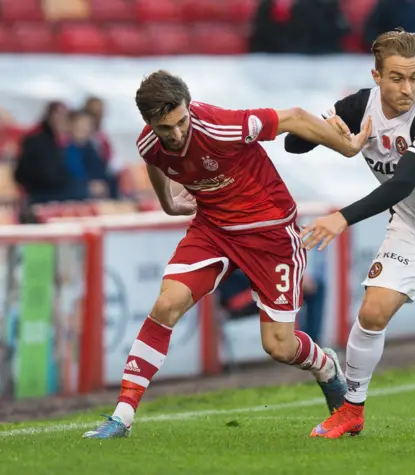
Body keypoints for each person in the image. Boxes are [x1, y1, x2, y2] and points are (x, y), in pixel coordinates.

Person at [83, 70, 372, 439]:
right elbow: (156, 162)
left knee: (279, 346)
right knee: (167, 304)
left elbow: (294, 117)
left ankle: (326, 365)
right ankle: (121, 417)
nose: (176, 133)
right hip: (213, 230)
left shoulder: (221, 126)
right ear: (149, 123)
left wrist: (347, 147)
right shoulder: (149, 144)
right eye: (164, 127)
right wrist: (169, 203)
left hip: (269, 234)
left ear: (189, 108)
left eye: (181, 121)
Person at [284, 29, 415, 438]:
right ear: (376, 75)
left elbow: (400, 184)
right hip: (411, 227)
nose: (407, 88)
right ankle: (351, 410)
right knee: (371, 312)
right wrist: (331, 134)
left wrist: (341, 218)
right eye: (397, 77)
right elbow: (294, 144)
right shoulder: (358, 105)